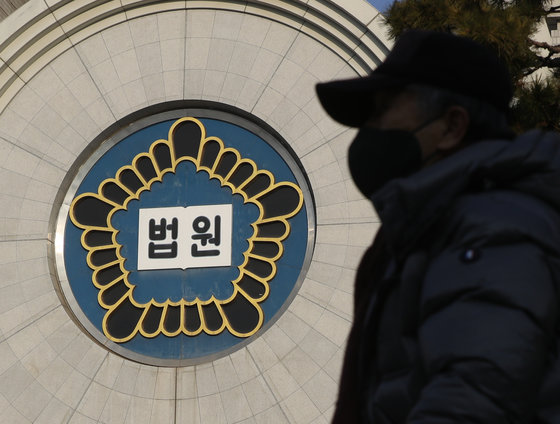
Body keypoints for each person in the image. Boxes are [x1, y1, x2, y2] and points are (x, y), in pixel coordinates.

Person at [316, 29, 560, 423]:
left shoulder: (493, 228)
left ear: (451, 127)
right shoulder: (428, 231)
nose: (369, 130)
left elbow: (472, 398)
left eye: (383, 109)